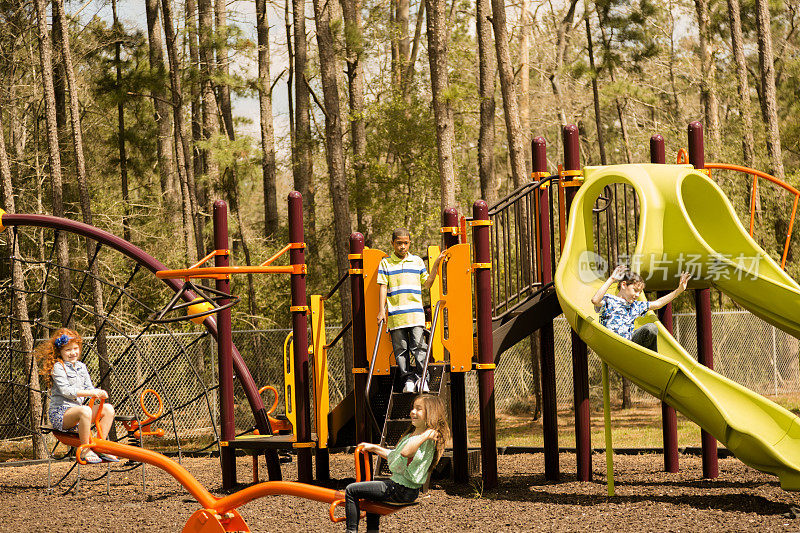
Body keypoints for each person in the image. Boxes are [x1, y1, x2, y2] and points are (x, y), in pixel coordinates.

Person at [344, 394, 450, 533]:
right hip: (401, 488)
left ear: (431, 414)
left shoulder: (426, 439)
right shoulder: (412, 436)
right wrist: (374, 448)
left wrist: (424, 435)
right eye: (413, 408)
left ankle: (351, 531)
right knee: (371, 496)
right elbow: (396, 456)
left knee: (351, 490)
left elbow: (406, 452)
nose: (413, 412)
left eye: (419, 409)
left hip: (401, 490)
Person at [377, 228, 448, 393]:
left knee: (418, 346)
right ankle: (408, 379)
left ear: (410, 243)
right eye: (399, 243)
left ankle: (423, 379)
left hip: (415, 315)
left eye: (405, 243)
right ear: (392, 244)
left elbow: (428, 283)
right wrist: (382, 310)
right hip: (396, 316)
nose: (402, 246)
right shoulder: (385, 263)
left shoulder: (417, 262)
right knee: (400, 349)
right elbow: (383, 287)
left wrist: (436, 264)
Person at [37, 328, 119, 463]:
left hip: (79, 413)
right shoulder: (58, 367)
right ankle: (85, 449)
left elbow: (88, 388)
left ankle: (100, 446)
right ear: (60, 352)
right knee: (85, 410)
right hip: (61, 415)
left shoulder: (81, 366)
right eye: (68, 350)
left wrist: (98, 393)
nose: (73, 353)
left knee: (108, 408)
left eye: (75, 348)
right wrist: (91, 392)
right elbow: (66, 391)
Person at [591, 265, 691, 351]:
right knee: (650, 328)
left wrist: (679, 290)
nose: (637, 295)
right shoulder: (609, 300)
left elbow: (658, 304)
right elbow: (595, 300)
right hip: (610, 343)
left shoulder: (635, 306)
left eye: (639, 292)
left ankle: (651, 360)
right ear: (624, 285)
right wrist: (612, 279)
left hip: (628, 344)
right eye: (635, 290)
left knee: (651, 328)